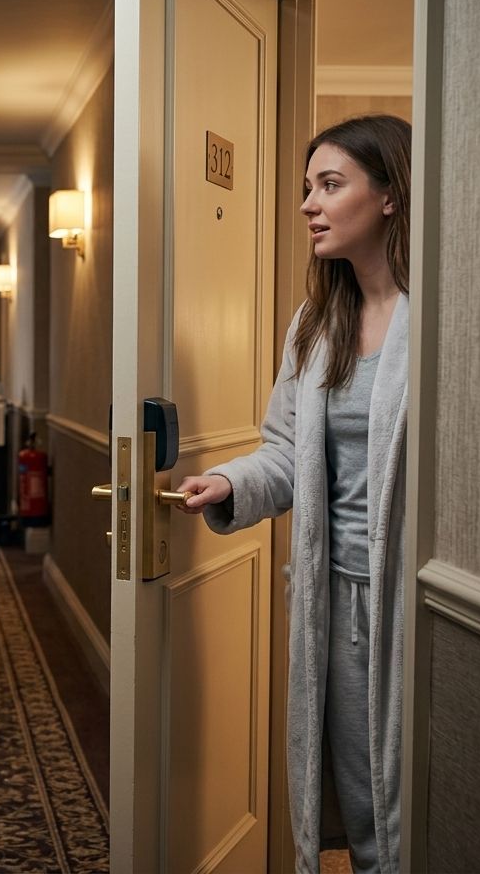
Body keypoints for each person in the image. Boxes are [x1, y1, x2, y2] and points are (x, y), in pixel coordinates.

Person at [176, 114, 411, 874]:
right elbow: (284, 450)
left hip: (413, 607)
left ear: (390, 196)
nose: (309, 203)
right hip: (336, 603)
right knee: (365, 808)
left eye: (330, 185)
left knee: (424, 803)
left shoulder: (439, 324)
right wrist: (228, 482)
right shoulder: (317, 324)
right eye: (307, 187)